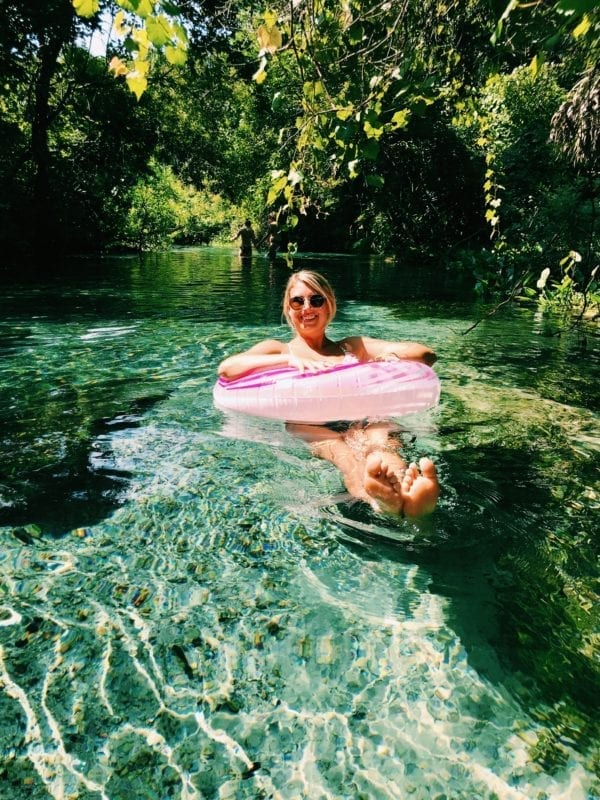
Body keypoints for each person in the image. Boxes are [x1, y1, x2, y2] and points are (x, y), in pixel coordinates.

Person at [217, 270, 440, 518]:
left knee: (381, 444)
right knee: (345, 457)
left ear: (330, 304)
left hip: (363, 417)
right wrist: (288, 360)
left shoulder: (353, 347)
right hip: (311, 423)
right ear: (288, 309)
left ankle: (403, 498)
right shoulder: (277, 349)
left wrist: (387, 359)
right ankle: (380, 502)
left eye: (316, 300)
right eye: (297, 301)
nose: (307, 307)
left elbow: (424, 355)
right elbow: (227, 369)